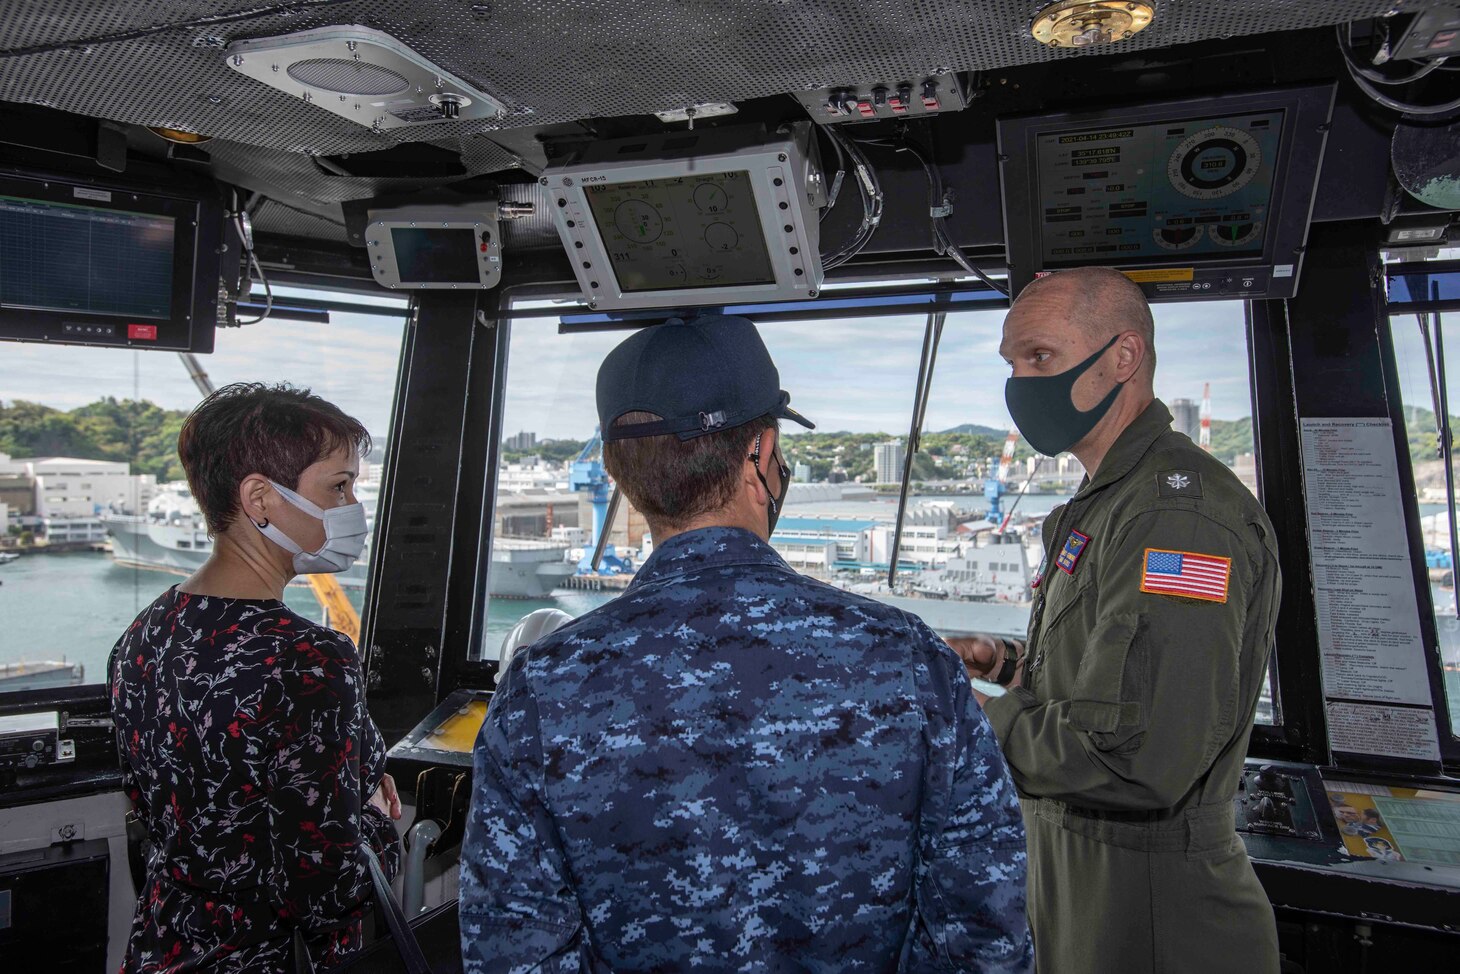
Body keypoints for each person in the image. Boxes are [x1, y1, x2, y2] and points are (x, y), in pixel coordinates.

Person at [460, 315, 1033, 972]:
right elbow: (985, 931)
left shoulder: (541, 688)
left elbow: (515, 953)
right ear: (760, 458)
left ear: (620, 472)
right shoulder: (906, 658)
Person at [949, 268, 1282, 973]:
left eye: (1040, 357)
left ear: (1123, 359)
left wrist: (963, 718)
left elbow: (1138, 756)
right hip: (1087, 886)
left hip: (1154, 911)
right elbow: (1112, 671)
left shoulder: (1175, 516)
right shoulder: (1112, 500)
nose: (1018, 385)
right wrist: (1007, 664)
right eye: (1010, 363)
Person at [109, 383, 402, 973]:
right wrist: (373, 813)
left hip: (165, 946)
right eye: (339, 485)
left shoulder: (142, 635)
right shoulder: (309, 659)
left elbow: (162, 812)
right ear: (260, 499)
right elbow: (327, 894)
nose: (353, 506)